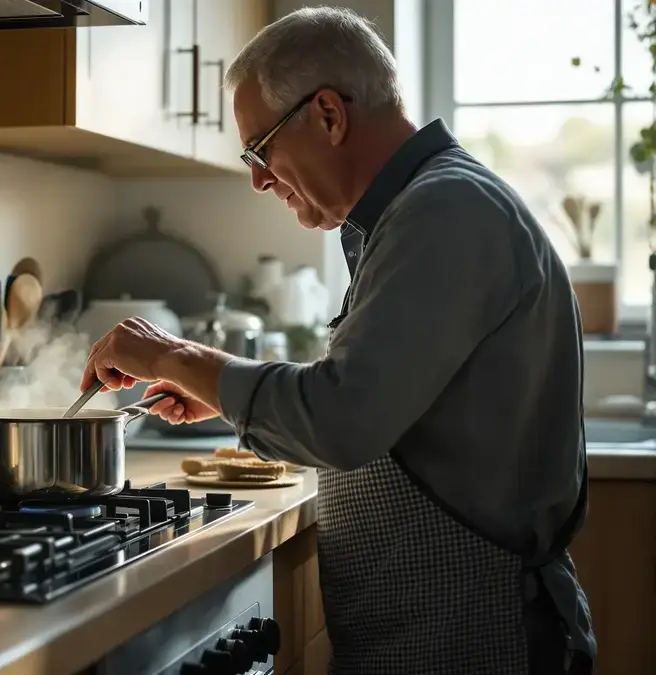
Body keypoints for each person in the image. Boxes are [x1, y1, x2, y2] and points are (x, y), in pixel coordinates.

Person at [79, 7, 595, 674]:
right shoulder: (416, 211)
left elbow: (342, 419)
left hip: (473, 635)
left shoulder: (444, 211)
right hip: (427, 633)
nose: (259, 179)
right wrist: (225, 394)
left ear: (328, 114)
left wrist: (170, 355)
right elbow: (375, 399)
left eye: (258, 149)